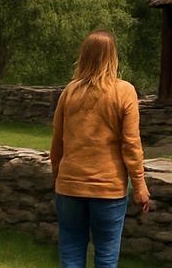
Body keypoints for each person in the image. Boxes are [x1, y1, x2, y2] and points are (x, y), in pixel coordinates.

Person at [50, 30, 152, 268]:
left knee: (71, 252)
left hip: (69, 185)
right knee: (106, 256)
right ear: (112, 56)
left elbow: (57, 143)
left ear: (84, 56)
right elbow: (131, 144)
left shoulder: (70, 92)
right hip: (108, 188)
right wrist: (139, 185)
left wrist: (59, 177)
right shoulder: (124, 91)